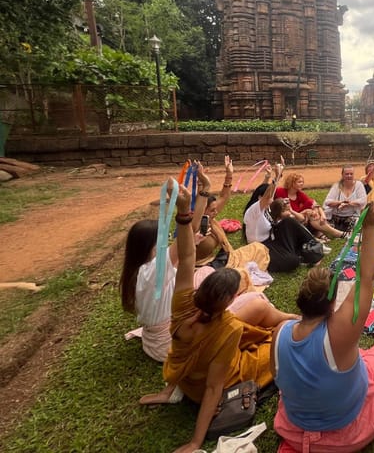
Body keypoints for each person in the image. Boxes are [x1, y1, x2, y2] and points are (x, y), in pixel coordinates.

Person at [142, 183, 298, 453]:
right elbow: (214, 388)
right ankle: (293, 323)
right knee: (276, 342)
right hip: (202, 389)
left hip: (185, 379)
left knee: (261, 319)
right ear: (228, 301)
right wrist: (196, 441)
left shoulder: (182, 306)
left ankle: (169, 392)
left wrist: (183, 212)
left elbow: (187, 256)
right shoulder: (228, 327)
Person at [271, 203, 374, 451]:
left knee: (352, 360)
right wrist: (370, 226)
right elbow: (366, 278)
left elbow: (281, 380)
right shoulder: (340, 333)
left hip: (294, 426)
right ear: (332, 302)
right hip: (345, 433)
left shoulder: (280, 331)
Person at [120, 220, 214, 362]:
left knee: (206, 272)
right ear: (152, 245)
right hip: (169, 345)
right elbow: (186, 232)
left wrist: (193, 241)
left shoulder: (142, 270)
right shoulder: (152, 271)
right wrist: (188, 218)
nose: (168, 242)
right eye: (165, 238)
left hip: (156, 344)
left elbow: (177, 262)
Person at [243, 174, 325, 273]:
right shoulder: (254, 210)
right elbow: (266, 195)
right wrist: (276, 178)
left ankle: (314, 246)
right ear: (260, 198)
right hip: (261, 247)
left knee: (288, 221)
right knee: (292, 261)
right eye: (270, 197)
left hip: (272, 240)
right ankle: (301, 255)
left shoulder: (266, 209)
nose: (272, 199)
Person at [274, 172, 346, 240]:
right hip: (285, 218)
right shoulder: (280, 191)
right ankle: (331, 233)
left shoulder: (299, 194)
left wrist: (323, 215)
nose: (302, 184)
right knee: (309, 212)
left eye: (302, 182)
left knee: (312, 209)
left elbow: (314, 203)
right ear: (291, 183)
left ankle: (331, 232)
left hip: (298, 217)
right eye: (299, 182)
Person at [323, 165, 368, 232]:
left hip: (352, 216)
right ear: (342, 175)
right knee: (325, 226)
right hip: (335, 216)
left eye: (351, 174)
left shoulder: (359, 185)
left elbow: (363, 200)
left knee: (356, 224)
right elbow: (327, 202)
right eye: (347, 174)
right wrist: (340, 203)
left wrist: (348, 203)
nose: (349, 176)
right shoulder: (336, 186)